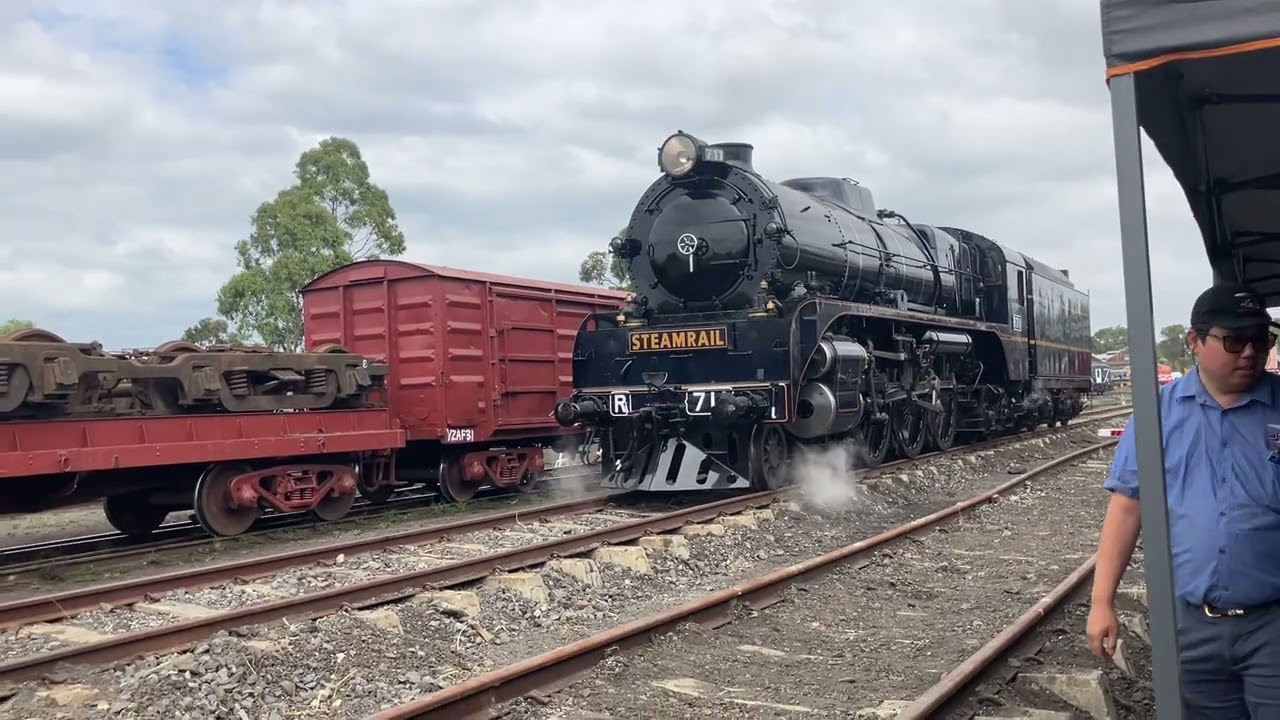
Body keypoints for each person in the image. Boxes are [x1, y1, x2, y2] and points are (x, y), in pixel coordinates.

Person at [1087, 281, 1280, 718]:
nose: (1250, 352)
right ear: (1195, 341)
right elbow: (1126, 508)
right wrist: (1102, 602)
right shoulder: (1157, 416)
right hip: (1193, 629)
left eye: (1259, 339)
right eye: (1233, 340)